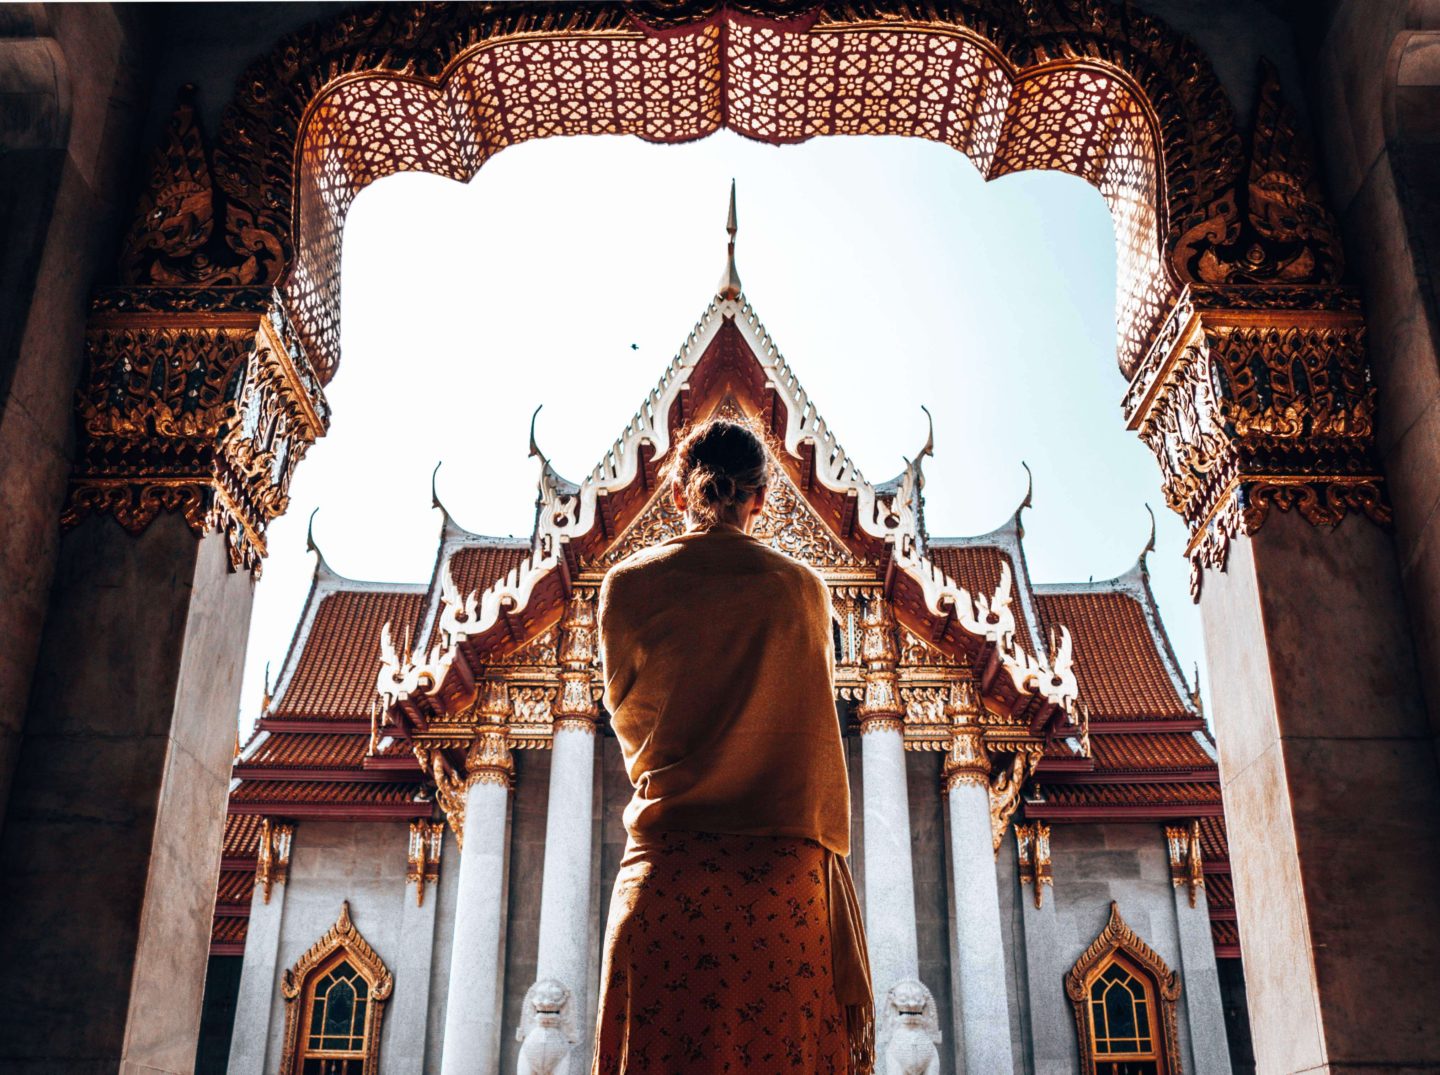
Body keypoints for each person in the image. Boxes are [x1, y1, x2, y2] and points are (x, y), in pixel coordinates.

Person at [592, 417, 874, 1074]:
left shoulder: (626, 586)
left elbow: (635, 734)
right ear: (762, 498)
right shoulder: (803, 590)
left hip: (669, 884)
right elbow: (804, 728)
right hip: (783, 898)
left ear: (678, 494)